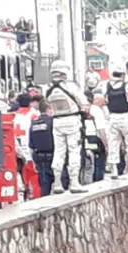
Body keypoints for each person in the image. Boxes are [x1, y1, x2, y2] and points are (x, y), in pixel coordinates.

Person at [45, 60, 90, 194]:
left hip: (57, 121)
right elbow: (84, 102)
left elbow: (47, 103)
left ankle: (57, 183)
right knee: (73, 151)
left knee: (59, 152)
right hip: (72, 120)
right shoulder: (71, 87)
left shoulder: (49, 89)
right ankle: (74, 182)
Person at [28, 101, 67, 196]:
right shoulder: (53, 122)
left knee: (44, 185)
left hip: (40, 157)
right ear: (49, 109)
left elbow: (31, 144)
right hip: (55, 155)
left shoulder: (33, 124)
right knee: (62, 184)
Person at [83, 92, 109, 182]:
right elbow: (101, 130)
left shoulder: (79, 111)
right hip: (96, 143)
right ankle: (98, 185)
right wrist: (106, 145)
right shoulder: (96, 110)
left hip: (84, 144)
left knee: (86, 169)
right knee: (99, 167)